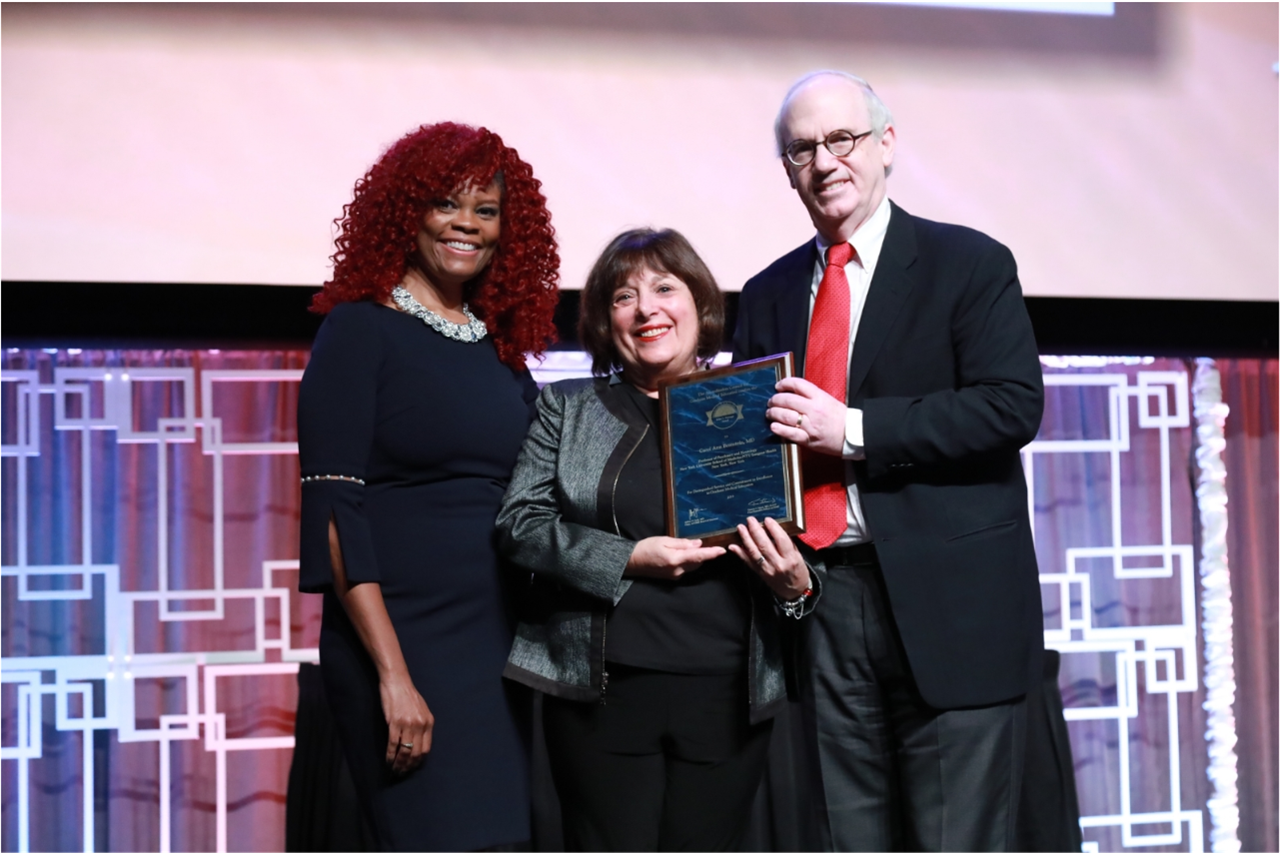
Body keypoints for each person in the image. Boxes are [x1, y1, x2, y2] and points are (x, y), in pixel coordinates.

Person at [732, 71, 1045, 851]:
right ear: (787, 170)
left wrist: (856, 429)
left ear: (885, 145)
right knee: (847, 838)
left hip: (955, 611)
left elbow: (1011, 405)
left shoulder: (967, 263)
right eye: (802, 149)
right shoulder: (768, 291)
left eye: (841, 139)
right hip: (824, 602)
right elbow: (749, 450)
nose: (824, 162)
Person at [496, 228, 815, 852]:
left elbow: (813, 543)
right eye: (623, 296)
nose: (647, 308)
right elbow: (519, 525)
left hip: (729, 691)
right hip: (603, 692)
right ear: (602, 320)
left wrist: (796, 587)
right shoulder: (567, 409)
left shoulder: (758, 403)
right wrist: (627, 559)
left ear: (700, 305)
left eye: (665, 288)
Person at [296, 122, 559, 851]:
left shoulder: (499, 350)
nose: (466, 225)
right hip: (401, 644)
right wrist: (393, 675)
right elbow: (333, 510)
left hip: (495, 649)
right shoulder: (357, 330)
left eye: (486, 210)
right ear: (405, 210)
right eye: (446, 203)